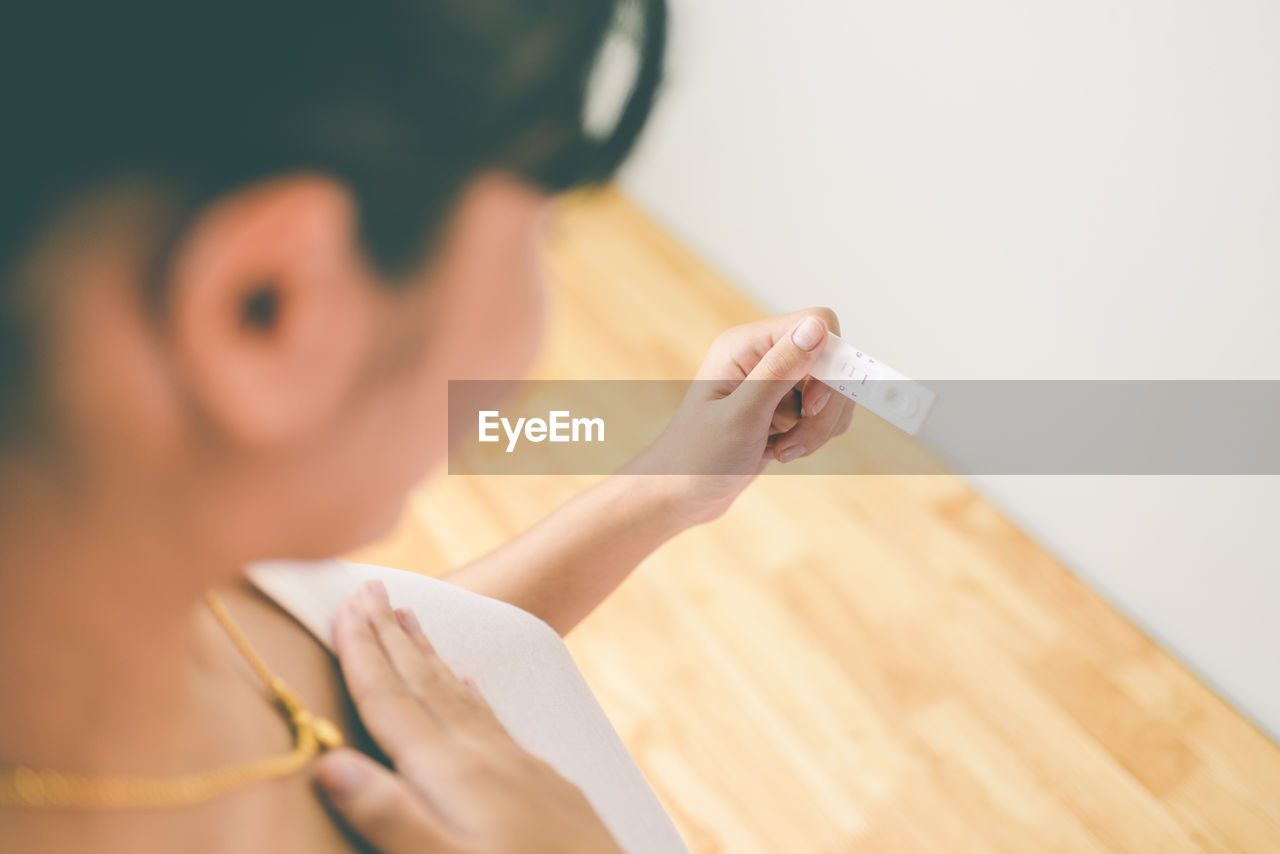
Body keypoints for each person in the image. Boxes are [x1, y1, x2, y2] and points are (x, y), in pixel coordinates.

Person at [0, 1, 853, 852]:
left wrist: (665, 488)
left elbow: (389, 675)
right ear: (267, 307)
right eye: (543, 232)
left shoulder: (133, 548)